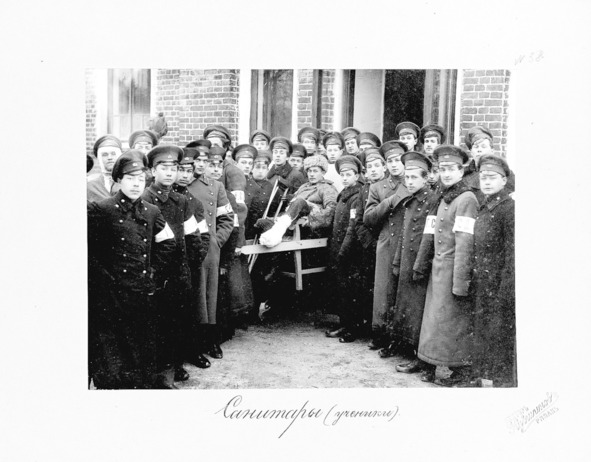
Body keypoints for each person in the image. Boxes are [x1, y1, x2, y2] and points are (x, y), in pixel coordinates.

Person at [88, 150, 177, 389]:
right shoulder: (102, 209)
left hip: (142, 290)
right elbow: (89, 252)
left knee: (142, 344)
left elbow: (168, 242)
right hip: (112, 295)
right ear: (119, 180)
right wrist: (105, 279)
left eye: (140, 179)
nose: (137, 184)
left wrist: (153, 272)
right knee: (114, 350)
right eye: (130, 178)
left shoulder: (151, 211)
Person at [414, 145, 478, 386]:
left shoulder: (466, 199)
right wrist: (422, 264)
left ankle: (458, 369)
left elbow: (465, 241)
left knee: (452, 322)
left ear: (461, 171)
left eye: (452, 169)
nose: (447, 174)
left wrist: (460, 281)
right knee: (435, 320)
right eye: (442, 169)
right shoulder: (443, 197)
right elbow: (431, 232)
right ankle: (430, 362)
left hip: (453, 270)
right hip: (438, 268)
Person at [141, 145, 205, 383]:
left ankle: (175, 364)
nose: (169, 173)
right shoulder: (144, 199)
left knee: (178, 321)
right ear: (152, 171)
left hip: (179, 272)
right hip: (156, 273)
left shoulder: (181, 200)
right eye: (164, 168)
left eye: (174, 168)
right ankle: (158, 369)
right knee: (156, 323)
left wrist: (190, 265)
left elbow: (193, 236)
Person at [391, 152, 440, 374]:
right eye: (407, 178)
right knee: (405, 306)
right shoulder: (409, 200)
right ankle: (405, 347)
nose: (409, 182)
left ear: (425, 178)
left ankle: (419, 357)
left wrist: (419, 265)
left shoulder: (432, 200)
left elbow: (429, 236)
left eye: (414, 177)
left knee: (418, 310)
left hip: (420, 262)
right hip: (406, 261)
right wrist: (397, 261)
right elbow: (404, 233)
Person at [471, 154, 516, 387]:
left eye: (492, 177)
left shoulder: (508, 209)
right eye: (483, 177)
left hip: (499, 284)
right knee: (484, 330)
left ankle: (501, 382)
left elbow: (511, 254)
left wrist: (505, 289)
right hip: (483, 281)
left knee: (499, 334)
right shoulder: (484, 206)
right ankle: (484, 377)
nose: (486, 182)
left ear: (504, 180)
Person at [187, 145, 235, 360]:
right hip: (188, 248)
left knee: (210, 296)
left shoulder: (216, 186)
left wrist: (216, 240)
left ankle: (211, 340)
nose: (201, 165)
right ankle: (193, 345)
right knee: (193, 297)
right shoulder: (183, 184)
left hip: (209, 251)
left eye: (205, 161)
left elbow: (227, 218)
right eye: (198, 161)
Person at [363, 140, 409, 353]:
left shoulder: (413, 183)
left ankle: (401, 338)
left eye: (398, 160)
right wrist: (389, 202)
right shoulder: (377, 187)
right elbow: (368, 218)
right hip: (387, 242)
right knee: (383, 290)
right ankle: (380, 333)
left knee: (404, 290)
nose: (394, 164)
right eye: (390, 161)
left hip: (408, 242)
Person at [172, 147, 211, 369]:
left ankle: (193, 351)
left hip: (190, 263)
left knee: (192, 309)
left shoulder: (194, 202)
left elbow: (203, 234)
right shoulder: (162, 198)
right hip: (169, 265)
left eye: (189, 171)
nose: (185, 175)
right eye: (181, 170)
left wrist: (196, 259)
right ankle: (174, 360)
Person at [344, 147, 388, 336]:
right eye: (370, 167)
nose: (373, 170)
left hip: (385, 243)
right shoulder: (364, 190)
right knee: (362, 286)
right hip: (367, 245)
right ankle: (360, 327)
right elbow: (359, 220)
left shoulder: (389, 188)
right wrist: (369, 242)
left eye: (377, 166)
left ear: (384, 167)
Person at [258, 154, 338, 247]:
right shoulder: (303, 186)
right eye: (309, 171)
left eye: (315, 171)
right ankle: (276, 235)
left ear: (323, 172)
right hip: (293, 224)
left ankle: (277, 231)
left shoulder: (327, 188)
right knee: (261, 222)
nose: (311, 174)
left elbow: (332, 209)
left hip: (309, 227)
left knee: (300, 201)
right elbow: (293, 204)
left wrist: (312, 219)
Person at [325, 155, 364, 343]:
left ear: (357, 176)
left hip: (350, 251)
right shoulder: (343, 194)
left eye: (349, 174)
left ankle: (352, 328)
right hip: (337, 247)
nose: (345, 178)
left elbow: (353, 226)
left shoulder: (357, 196)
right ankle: (344, 323)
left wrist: (344, 250)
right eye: (343, 174)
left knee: (351, 290)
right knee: (341, 289)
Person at [87, 135, 123, 202]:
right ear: (99, 159)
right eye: (105, 155)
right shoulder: (90, 186)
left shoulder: (129, 182)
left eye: (113, 154)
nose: (110, 157)